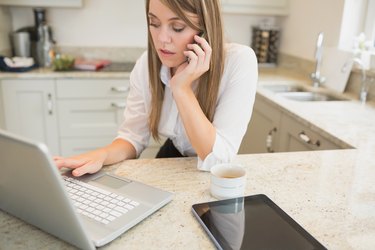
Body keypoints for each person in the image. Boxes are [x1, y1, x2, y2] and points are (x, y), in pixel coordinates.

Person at [54, 0, 258, 177]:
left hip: (210, 171)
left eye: (177, 27)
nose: (162, 39)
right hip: (173, 155)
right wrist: (101, 155)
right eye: (154, 23)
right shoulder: (146, 64)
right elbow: (131, 138)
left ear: (205, 31)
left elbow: (218, 160)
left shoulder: (239, 61)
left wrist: (181, 89)